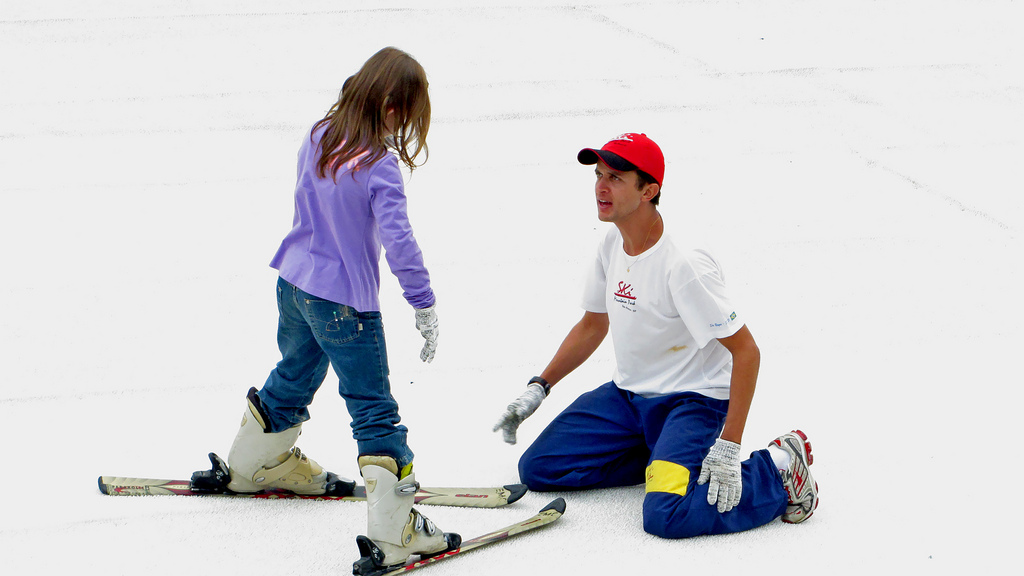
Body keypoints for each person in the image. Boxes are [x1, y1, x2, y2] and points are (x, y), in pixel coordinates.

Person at [493, 133, 819, 538]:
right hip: (628, 397)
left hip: (692, 401)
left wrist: (730, 446)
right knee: (539, 467)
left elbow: (747, 352)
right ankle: (666, 457)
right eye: (598, 175)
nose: (600, 186)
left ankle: (778, 473)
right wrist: (539, 387)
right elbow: (593, 325)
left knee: (666, 514)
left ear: (649, 190)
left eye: (615, 177)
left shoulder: (684, 264)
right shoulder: (612, 243)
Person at [218, 47, 459, 571]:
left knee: (297, 369)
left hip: (294, 282)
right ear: (394, 108)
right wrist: (423, 302)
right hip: (345, 305)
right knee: (373, 406)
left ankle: (252, 463)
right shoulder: (379, 166)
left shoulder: (318, 135)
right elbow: (400, 242)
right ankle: (396, 530)